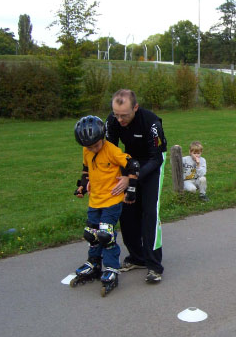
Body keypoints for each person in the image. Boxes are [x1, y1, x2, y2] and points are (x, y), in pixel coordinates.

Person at [71, 116, 139, 296]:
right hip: (95, 200)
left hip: (112, 201)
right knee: (91, 234)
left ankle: (111, 268)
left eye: (95, 145)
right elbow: (86, 170)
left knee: (105, 235)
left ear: (103, 137)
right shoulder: (87, 151)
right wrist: (81, 186)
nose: (93, 149)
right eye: (89, 147)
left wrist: (130, 189)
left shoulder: (112, 150)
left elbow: (133, 164)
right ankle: (94, 264)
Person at [105, 89, 168, 283]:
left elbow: (156, 158)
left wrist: (132, 179)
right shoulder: (112, 121)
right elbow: (109, 151)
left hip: (152, 162)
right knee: (127, 211)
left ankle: (154, 266)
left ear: (135, 107)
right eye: (116, 114)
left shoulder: (152, 123)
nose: (120, 120)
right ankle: (137, 257)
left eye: (124, 115)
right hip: (130, 162)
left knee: (150, 214)